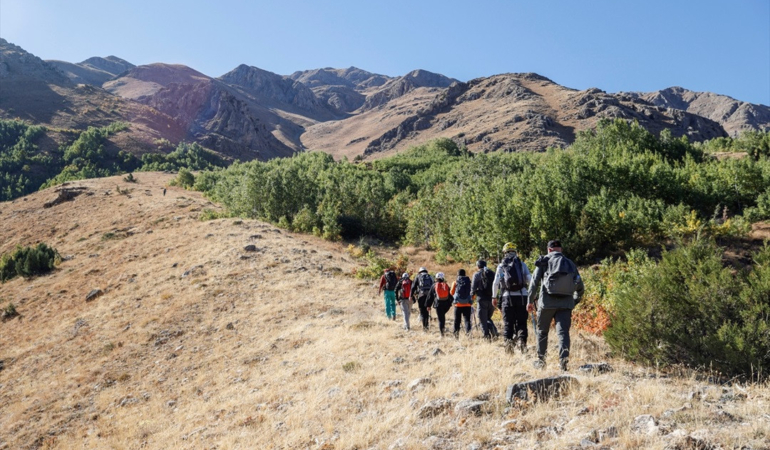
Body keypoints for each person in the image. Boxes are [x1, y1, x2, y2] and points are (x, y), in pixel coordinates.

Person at [527, 240, 584, 371]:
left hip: (547, 303)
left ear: (549, 250)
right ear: (560, 250)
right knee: (563, 333)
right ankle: (563, 364)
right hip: (566, 304)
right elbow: (580, 287)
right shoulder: (570, 263)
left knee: (542, 332)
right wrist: (573, 301)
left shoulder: (544, 261)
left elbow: (534, 283)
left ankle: (541, 361)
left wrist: (529, 301)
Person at [493, 243, 532, 353]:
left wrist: (494, 296)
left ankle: (509, 349)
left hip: (507, 297)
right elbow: (530, 279)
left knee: (508, 323)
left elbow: (496, 283)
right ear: (515, 251)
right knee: (522, 322)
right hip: (522, 297)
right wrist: (532, 295)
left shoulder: (501, 266)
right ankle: (522, 343)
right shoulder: (521, 264)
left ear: (504, 252)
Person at [471, 260, 498, 340]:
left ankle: (486, 337)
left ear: (478, 266)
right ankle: (494, 333)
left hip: (482, 299)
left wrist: (471, 297)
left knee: (482, 319)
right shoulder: (492, 273)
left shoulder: (477, 274)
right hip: (492, 299)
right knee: (488, 318)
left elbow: (473, 288)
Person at [428, 272, 453, 337]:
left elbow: (430, 296)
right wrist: (450, 304)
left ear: (436, 278)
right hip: (446, 305)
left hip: (438, 304)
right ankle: (443, 330)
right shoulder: (446, 285)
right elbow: (451, 296)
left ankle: (442, 334)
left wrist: (428, 305)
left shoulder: (434, 285)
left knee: (441, 319)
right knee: (442, 317)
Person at [451, 269, 473, 338]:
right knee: (467, 320)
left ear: (458, 274)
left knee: (457, 320)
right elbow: (472, 293)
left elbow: (451, 292)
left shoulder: (455, 282)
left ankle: (456, 335)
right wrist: (471, 300)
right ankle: (468, 335)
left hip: (458, 304)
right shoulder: (469, 282)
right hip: (467, 304)